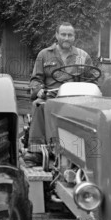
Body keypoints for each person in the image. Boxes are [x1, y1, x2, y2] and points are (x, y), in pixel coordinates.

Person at [23, 22, 94, 166]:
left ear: (74, 37)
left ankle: (90, 150)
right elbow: (36, 79)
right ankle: (36, 151)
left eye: (70, 35)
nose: (66, 38)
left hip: (75, 99)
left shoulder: (83, 56)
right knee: (38, 105)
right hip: (51, 98)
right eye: (63, 34)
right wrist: (39, 89)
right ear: (56, 35)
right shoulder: (44, 55)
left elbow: (92, 79)